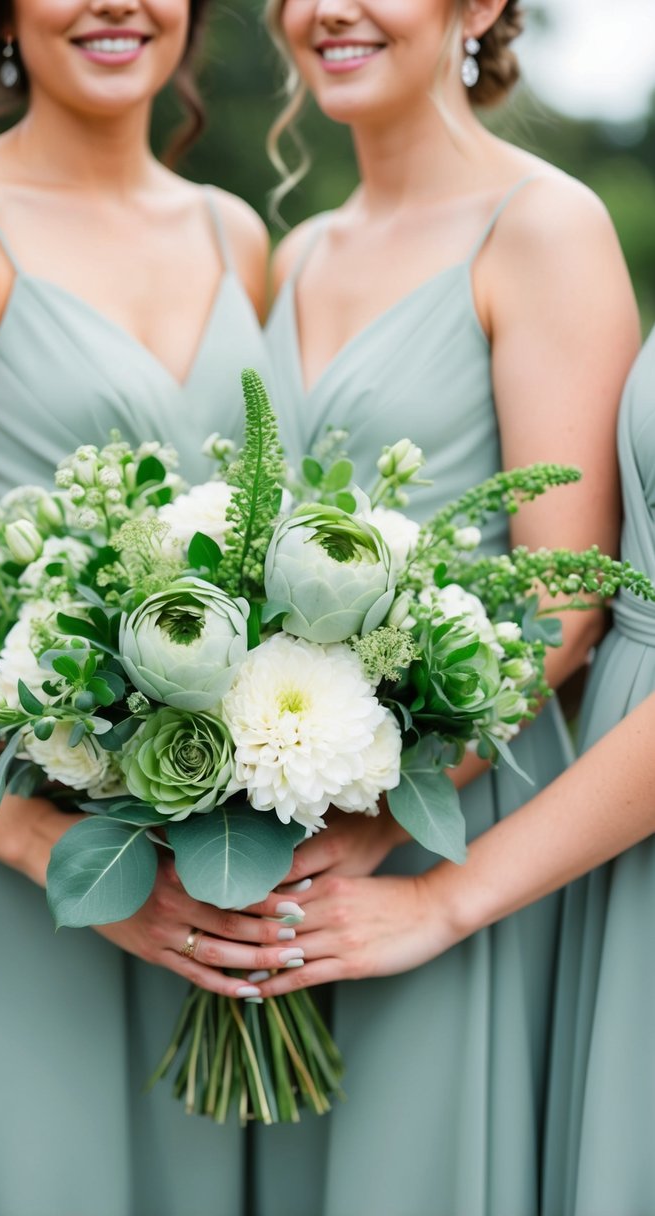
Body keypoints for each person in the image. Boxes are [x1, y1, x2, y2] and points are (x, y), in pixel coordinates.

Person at [0, 3, 283, 1213]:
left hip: (216, 850)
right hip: (27, 834)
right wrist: (90, 781)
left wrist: (221, 782)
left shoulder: (235, 230)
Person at [256, 1, 640, 1212]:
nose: (327, 10)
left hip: (457, 801)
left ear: (477, 6)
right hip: (288, 821)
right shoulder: (301, 246)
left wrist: (381, 818)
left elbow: (567, 601)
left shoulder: (545, 227)